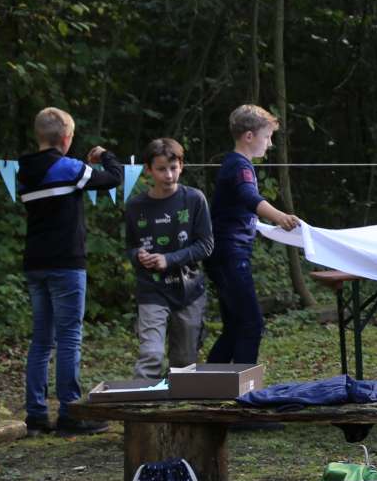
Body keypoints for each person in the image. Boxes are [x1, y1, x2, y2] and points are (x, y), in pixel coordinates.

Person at [16, 107, 124, 435]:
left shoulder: (23, 172)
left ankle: (35, 415)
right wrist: (106, 155)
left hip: (35, 263)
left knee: (41, 340)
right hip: (66, 263)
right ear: (66, 138)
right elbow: (115, 178)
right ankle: (69, 412)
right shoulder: (70, 167)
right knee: (68, 338)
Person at [206, 104, 300, 365]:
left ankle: (208, 384)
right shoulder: (239, 166)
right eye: (267, 136)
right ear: (249, 136)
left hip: (225, 254)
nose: (269, 144)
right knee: (252, 323)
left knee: (235, 325)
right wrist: (280, 217)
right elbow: (249, 197)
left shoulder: (237, 164)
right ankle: (246, 391)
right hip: (229, 254)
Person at [124, 137, 213, 379]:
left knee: (183, 363)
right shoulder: (135, 206)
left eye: (173, 168)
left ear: (181, 166)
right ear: (148, 170)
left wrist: (169, 259)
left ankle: (177, 415)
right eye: (162, 169)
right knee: (151, 355)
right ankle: (138, 414)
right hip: (151, 289)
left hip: (189, 289)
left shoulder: (194, 199)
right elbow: (130, 246)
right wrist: (137, 255)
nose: (169, 175)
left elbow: (206, 245)